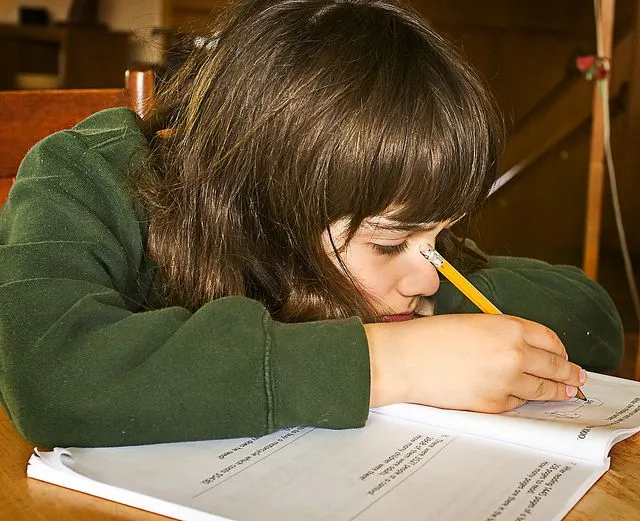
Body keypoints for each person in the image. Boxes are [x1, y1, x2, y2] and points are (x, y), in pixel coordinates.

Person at [0, 0, 623, 448]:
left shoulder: (392, 227)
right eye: (390, 242)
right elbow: (53, 377)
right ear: (266, 202)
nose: (427, 275)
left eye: (435, 238)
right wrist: (386, 363)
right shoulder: (80, 176)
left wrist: (444, 328)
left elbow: (590, 314)